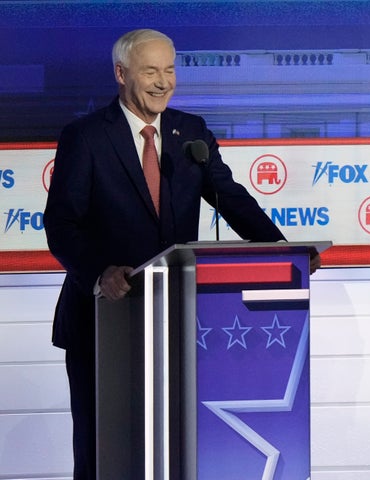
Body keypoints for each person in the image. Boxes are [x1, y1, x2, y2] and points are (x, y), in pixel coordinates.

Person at [44, 29, 320, 479]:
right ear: (120, 74)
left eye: (169, 70)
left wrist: (282, 249)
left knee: (172, 445)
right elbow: (61, 224)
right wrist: (100, 272)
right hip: (103, 317)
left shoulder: (189, 133)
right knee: (103, 448)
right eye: (150, 71)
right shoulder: (86, 136)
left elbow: (230, 197)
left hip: (176, 320)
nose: (162, 82)